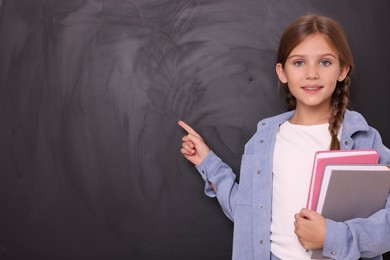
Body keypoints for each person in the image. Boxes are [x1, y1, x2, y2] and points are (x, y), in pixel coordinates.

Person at [178, 14, 390, 260]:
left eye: (325, 62)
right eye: (299, 63)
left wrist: (331, 236)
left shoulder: (364, 139)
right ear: (282, 72)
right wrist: (209, 163)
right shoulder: (264, 139)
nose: (312, 73)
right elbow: (250, 216)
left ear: (342, 70)